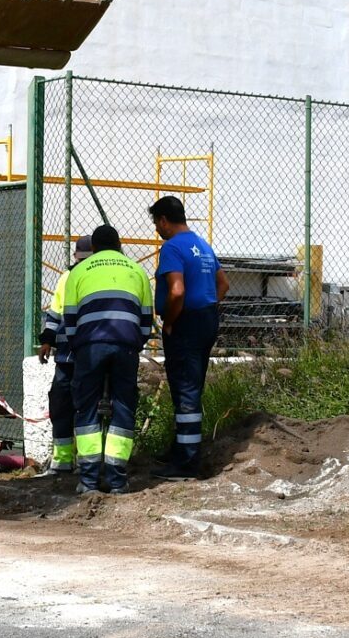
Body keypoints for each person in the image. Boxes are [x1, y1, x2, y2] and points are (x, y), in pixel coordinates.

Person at [58, 224, 153, 493]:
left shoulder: (79, 271)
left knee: (86, 408)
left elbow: (70, 317)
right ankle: (117, 480)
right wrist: (134, 344)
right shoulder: (136, 270)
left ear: (95, 248)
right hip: (126, 346)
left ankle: (88, 481)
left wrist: (79, 346)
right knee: (123, 406)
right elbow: (146, 319)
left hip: (90, 346)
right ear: (119, 245)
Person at [149, 195, 225, 476]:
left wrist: (170, 320)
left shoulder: (171, 248)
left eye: (157, 223)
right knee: (190, 385)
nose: (157, 230)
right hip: (206, 320)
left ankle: (187, 462)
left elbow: (177, 290)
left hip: (184, 324)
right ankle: (181, 447)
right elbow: (223, 285)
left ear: (164, 220)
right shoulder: (203, 245)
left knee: (186, 389)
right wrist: (205, 304)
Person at [37, 235, 95, 473]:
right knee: (63, 403)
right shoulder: (67, 278)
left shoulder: (83, 276)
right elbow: (55, 314)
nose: (82, 263)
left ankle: (82, 461)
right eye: (80, 259)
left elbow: (56, 316)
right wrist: (47, 340)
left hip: (83, 354)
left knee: (80, 405)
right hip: (71, 355)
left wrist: (50, 340)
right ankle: (66, 461)